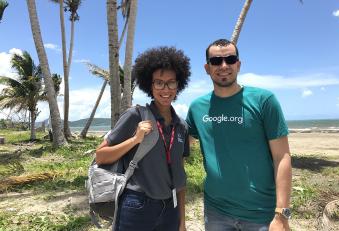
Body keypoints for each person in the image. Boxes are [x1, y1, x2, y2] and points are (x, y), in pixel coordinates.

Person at [186, 39, 292, 231]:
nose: (224, 66)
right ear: (207, 68)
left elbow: (282, 157)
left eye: (230, 59)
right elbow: (181, 144)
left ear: (238, 64)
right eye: (216, 61)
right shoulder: (197, 108)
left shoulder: (264, 100)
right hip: (216, 211)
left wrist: (282, 214)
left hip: (261, 213)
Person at [95, 46, 191, 231]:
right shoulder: (135, 116)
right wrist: (135, 139)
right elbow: (101, 156)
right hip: (137, 205)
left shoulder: (181, 126)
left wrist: (182, 221)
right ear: (150, 85)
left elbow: (180, 174)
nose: (165, 89)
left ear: (178, 85)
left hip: (170, 208)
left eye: (171, 82)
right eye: (159, 83)